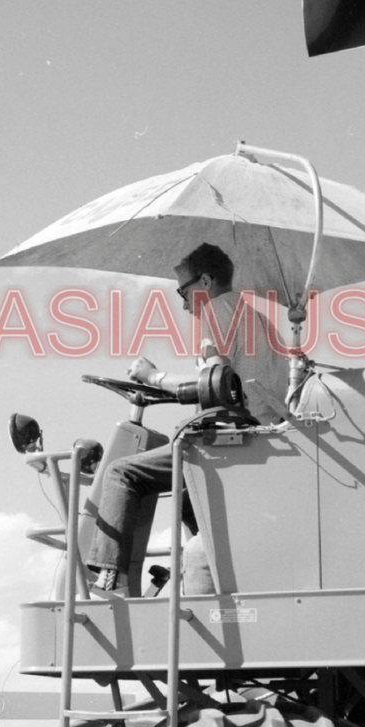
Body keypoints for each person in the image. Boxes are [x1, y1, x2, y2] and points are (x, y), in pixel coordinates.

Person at [85, 242, 235, 596]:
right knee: (186, 497)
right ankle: (212, 557)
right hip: (252, 434)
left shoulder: (216, 315)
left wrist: (153, 377)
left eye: (183, 291)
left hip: (231, 441)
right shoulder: (249, 315)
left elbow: (213, 384)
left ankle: (111, 579)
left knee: (122, 473)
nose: (183, 303)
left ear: (207, 281)